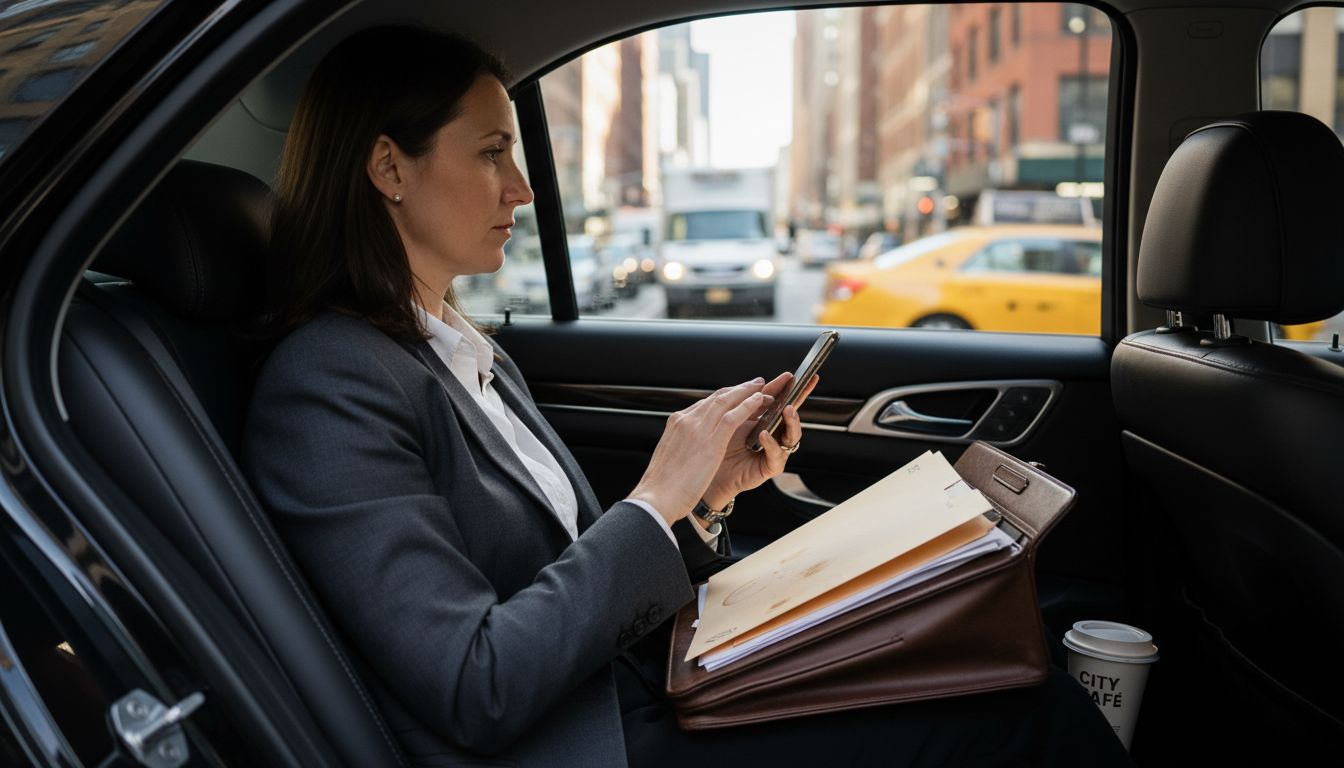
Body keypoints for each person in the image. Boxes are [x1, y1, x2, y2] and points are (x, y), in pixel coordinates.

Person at [242, 25, 1134, 768]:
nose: (522, 187)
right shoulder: (329, 383)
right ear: (390, 169)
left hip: (637, 688)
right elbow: (478, 686)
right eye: (490, 153)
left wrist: (706, 498)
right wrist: (656, 496)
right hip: (586, 743)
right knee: (1011, 715)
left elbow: (559, 570)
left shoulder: (463, 351)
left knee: (994, 669)